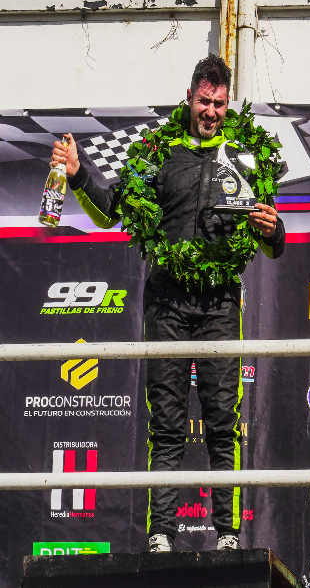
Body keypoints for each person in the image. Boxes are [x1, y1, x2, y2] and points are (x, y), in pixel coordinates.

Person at [49, 55, 285, 552]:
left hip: (220, 303)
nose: (211, 111)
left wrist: (273, 229)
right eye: (204, 101)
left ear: (228, 105)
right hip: (167, 304)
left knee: (223, 421)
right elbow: (111, 212)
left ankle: (228, 535)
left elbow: (272, 241)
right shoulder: (158, 150)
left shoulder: (246, 154)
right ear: (189, 98)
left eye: (219, 103)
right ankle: (161, 533)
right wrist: (78, 174)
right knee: (167, 421)